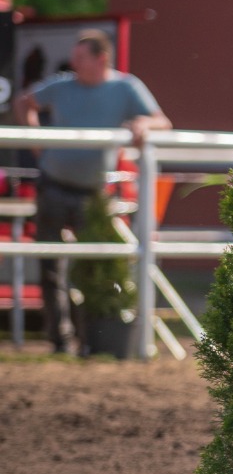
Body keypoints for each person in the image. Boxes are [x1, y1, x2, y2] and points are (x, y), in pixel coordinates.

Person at [17, 30, 171, 353]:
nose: (73, 64)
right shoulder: (61, 85)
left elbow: (162, 121)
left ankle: (92, 339)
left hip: (93, 192)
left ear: (101, 58)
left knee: (93, 266)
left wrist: (143, 125)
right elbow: (25, 103)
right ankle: (60, 339)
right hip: (53, 185)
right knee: (51, 265)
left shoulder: (125, 87)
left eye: (80, 58)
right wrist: (37, 143)